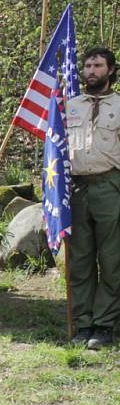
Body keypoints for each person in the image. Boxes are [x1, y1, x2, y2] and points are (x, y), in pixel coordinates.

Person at [66, 47, 120, 350]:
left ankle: (104, 324)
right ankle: (83, 323)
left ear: (110, 70)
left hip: (109, 185)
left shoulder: (119, 105)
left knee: (111, 260)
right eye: (87, 65)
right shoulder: (70, 105)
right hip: (77, 189)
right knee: (81, 261)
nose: (91, 71)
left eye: (98, 65)